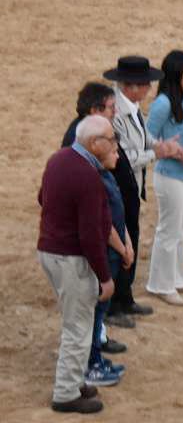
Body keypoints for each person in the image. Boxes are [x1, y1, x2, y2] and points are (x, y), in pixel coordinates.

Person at [38, 115, 117, 413]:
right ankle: (66, 393)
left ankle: (74, 380)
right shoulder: (87, 175)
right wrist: (105, 277)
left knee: (77, 322)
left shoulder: (58, 159)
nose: (115, 145)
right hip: (70, 258)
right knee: (78, 326)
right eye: (110, 139)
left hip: (50, 251)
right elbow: (90, 234)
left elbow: (42, 198)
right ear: (94, 144)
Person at [103, 56, 178, 327]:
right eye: (146, 83)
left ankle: (125, 297)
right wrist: (157, 152)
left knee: (131, 237)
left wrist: (159, 146)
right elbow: (123, 157)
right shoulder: (115, 114)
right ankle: (113, 306)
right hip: (120, 186)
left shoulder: (131, 107)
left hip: (131, 186)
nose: (149, 88)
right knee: (121, 243)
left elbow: (145, 139)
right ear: (132, 86)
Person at [61, 83, 129, 356]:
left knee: (95, 307)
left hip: (105, 238)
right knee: (92, 305)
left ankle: (97, 342)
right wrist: (121, 246)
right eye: (111, 108)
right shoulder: (84, 155)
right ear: (94, 110)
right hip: (96, 243)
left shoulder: (89, 144)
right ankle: (92, 353)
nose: (115, 113)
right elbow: (97, 217)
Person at [146, 50, 183, 305]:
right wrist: (176, 152)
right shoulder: (163, 103)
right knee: (169, 231)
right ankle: (161, 285)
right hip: (171, 175)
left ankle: (179, 279)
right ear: (175, 75)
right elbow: (147, 138)